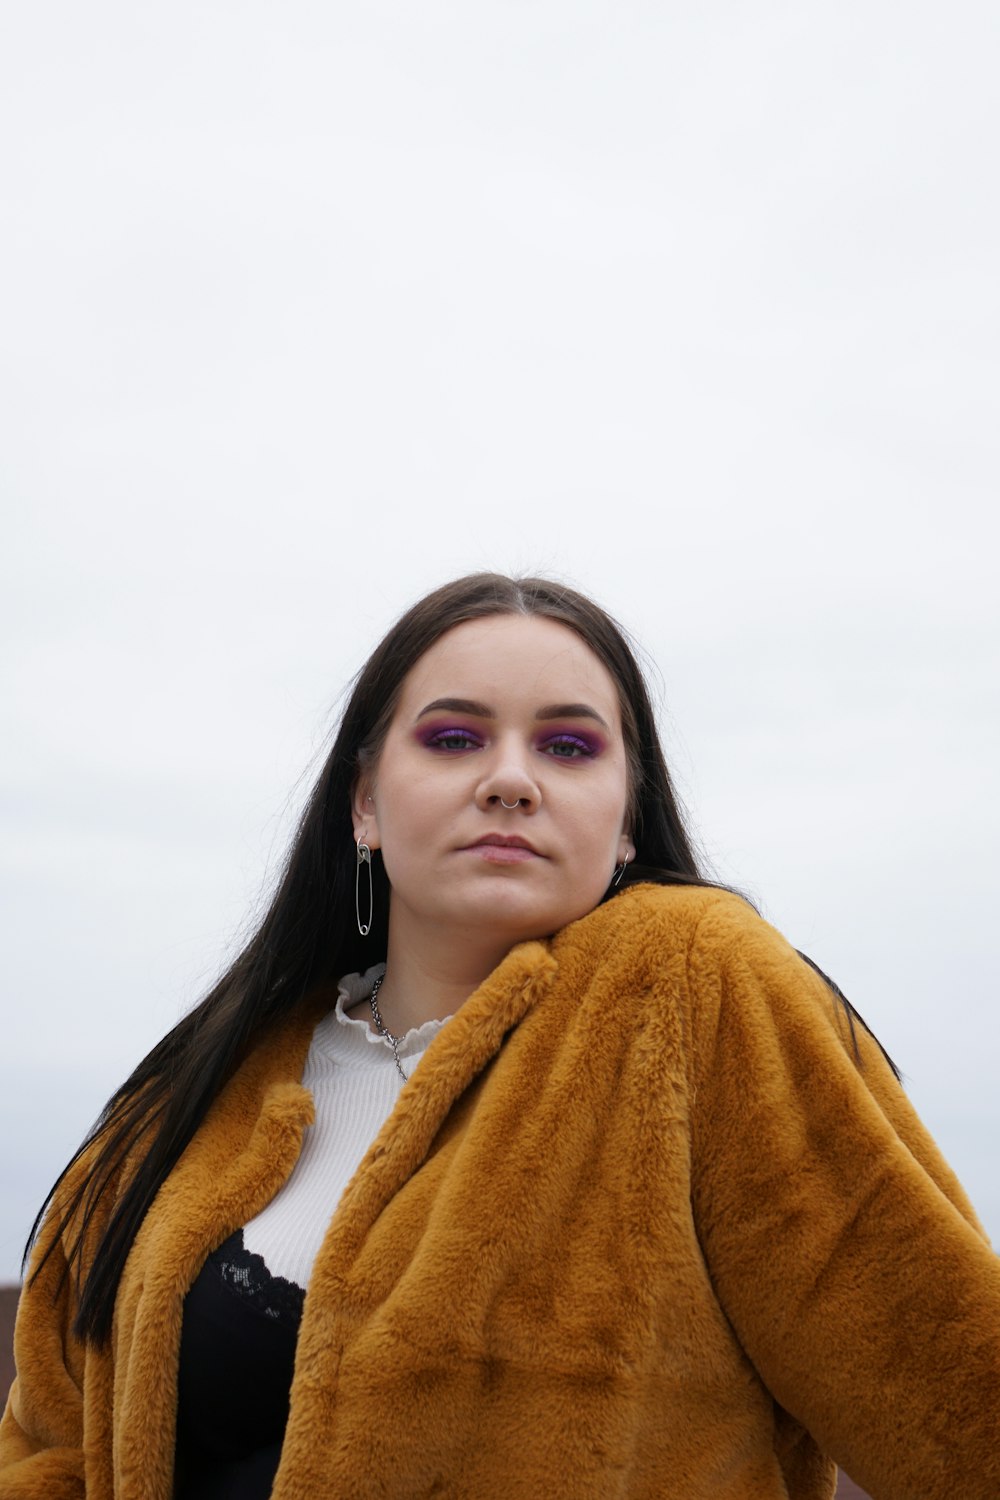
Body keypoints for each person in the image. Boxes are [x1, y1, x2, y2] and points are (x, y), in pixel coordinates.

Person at [2, 573, 998, 1500]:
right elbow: (48, 1453)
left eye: (568, 747)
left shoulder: (697, 984)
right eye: (451, 739)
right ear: (363, 804)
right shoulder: (180, 1102)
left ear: (624, 825)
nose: (511, 780)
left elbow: (955, 1398)